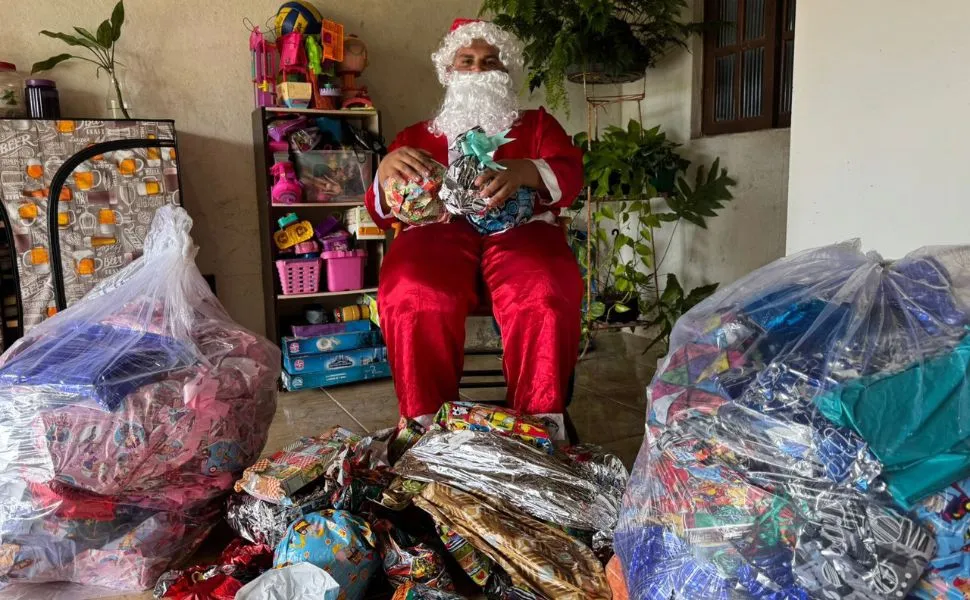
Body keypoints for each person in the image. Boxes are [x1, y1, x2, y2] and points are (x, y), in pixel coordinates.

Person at [365, 18, 583, 430]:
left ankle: (539, 425)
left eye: (490, 61)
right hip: (436, 231)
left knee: (545, 289)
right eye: (467, 61)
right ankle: (425, 425)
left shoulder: (537, 125)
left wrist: (526, 170)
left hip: (522, 229)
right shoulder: (415, 135)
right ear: (449, 72)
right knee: (412, 290)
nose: (479, 70)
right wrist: (383, 173)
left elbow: (570, 177)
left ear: (506, 72)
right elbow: (382, 211)